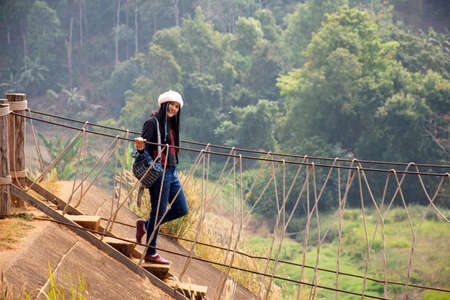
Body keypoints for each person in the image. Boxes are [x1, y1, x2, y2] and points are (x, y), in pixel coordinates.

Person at [134, 90, 188, 264]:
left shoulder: (172, 125)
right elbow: (143, 147)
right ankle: (151, 252)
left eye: (177, 106)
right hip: (159, 172)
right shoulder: (152, 122)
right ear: (164, 104)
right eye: (171, 104)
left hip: (171, 172)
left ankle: (146, 225)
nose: (174, 108)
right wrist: (142, 149)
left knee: (181, 208)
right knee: (159, 210)